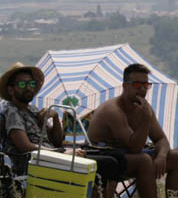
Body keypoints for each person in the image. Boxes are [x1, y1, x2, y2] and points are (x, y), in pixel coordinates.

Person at [87, 63, 178, 198]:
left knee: (177, 158)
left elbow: (161, 139)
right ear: (125, 86)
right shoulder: (113, 110)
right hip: (105, 157)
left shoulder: (144, 108)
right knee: (144, 161)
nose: (142, 89)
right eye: (137, 85)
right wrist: (146, 119)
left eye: (146, 85)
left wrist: (161, 156)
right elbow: (134, 147)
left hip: (128, 156)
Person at [1, 61, 123, 190]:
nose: (28, 88)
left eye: (31, 83)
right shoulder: (12, 112)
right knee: (109, 163)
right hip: (38, 163)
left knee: (117, 155)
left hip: (54, 157)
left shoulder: (33, 110)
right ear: (11, 90)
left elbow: (57, 141)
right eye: (22, 84)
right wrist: (61, 154)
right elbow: (25, 147)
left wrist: (54, 118)